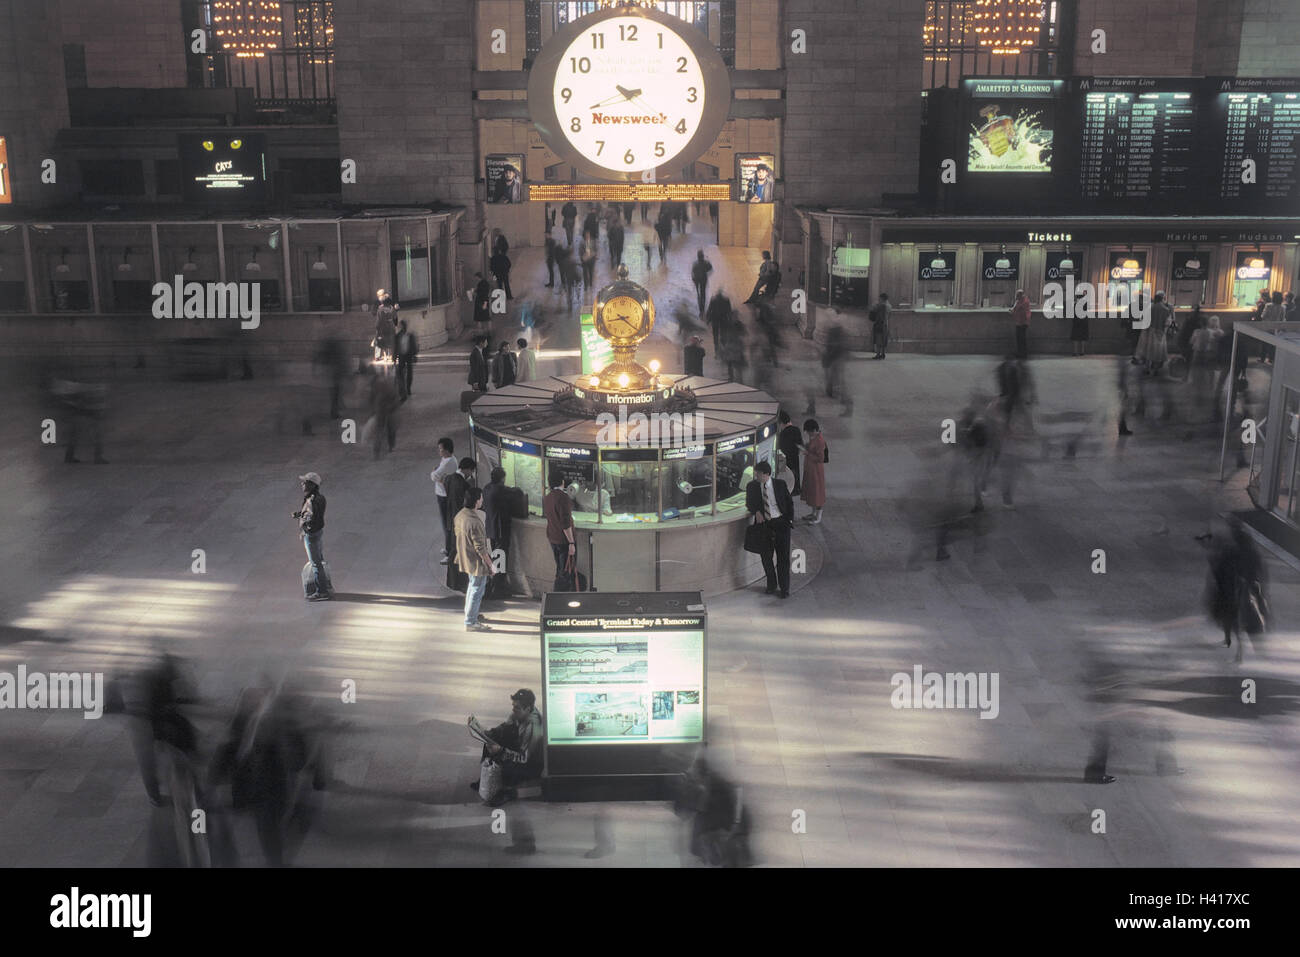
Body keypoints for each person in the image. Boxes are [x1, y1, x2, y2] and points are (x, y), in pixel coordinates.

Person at [1207, 518, 1268, 662]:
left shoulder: (1234, 549)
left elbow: (1222, 567)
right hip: (1243, 586)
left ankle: (1237, 649)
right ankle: (1242, 646)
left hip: (1237, 588)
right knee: (1244, 616)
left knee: (1236, 618)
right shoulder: (1244, 549)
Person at [472, 689, 545, 805]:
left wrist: (501, 751)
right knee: (493, 739)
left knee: (506, 759)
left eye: (517, 708)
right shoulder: (519, 713)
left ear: (527, 709)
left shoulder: (532, 727)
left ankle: (505, 792)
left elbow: (524, 758)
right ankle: (487, 778)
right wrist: (487, 733)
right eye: (513, 706)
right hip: (520, 747)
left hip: (530, 764)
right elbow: (505, 727)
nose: (513, 710)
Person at [745, 460, 794, 598]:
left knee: (783, 558)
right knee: (766, 557)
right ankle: (771, 585)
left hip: (781, 524)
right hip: (764, 526)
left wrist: (788, 519)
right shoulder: (752, 486)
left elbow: (789, 503)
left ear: (766, 474)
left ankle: (785, 588)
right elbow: (749, 503)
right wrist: (757, 511)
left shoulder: (780, 485)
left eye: (758, 474)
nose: (756, 476)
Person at [454, 487, 495, 632]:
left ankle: (470, 614)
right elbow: (481, 548)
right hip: (476, 561)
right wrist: (491, 565)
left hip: (465, 557)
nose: (482, 500)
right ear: (477, 501)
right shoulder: (475, 522)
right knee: (477, 589)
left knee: (472, 586)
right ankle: (471, 621)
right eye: (481, 498)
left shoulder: (460, 515)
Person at [294, 472, 333, 600]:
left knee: (315, 563)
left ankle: (321, 591)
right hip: (318, 532)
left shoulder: (311, 500)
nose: (302, 484)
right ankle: (325, 586)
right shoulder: (320, 498)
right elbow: (313, 513)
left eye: (304, 482)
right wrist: (300, 514)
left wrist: (305, 529)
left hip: (311, 535)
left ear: (311, 485)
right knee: (319, 560)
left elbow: (310, 518)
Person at [444, 458, 477, 593]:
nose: (471, 474)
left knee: (453, 551)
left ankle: (452, 581)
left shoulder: (449, 479)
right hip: (460, 523)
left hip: (451, 521)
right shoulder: (462, 484)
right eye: (471, 471)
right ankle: (460, 582)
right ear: (467, 469)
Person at [482, 466, 513, 600]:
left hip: (491, 528)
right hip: (501, 529)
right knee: (501, 558)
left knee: (496, 556)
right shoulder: (500, 490)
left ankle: (496, 585)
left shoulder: (486, 488)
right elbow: (515, 495)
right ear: (502, 479)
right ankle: (498, 588)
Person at [544, 469, 577, 586]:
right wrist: (571, 543)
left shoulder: (547, 497)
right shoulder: (563, 498)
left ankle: (557, 591)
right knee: (566, 571)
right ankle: (563, 593)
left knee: (559, 568)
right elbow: (565, 523)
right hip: (564, 540)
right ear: (562, 482)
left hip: (553, 538)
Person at [430, 437, 458, 565]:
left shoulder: (448, 462)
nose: (439, 451)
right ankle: (448, 548)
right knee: (446, 523)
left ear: (446, 450)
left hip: (444, 496)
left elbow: (434, 476)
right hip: (443, 494)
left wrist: (434, 473)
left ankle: (449, 552)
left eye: (441, 449)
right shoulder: (448, 460)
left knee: (447, 524)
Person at [1135, 291, 1172, 374]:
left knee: (1148, 351)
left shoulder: (1149, 308)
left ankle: (1147, 368)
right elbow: (1168, 322)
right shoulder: (1166, 310)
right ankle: (1156, 370)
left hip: (1149, 332)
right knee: (1157, 352)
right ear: (1162, 299)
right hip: (1160, 332)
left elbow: (1143, 319)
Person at [366, 367, 399, 458]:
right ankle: (385, 448)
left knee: (384, 429)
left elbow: (393, 396)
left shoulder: (381, 383)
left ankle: (381, 449)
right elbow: (371, 398)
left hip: (385, 409)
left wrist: (374, 409)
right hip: (384, 410)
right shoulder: (376, 383)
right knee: (385, 429)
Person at [801, 419, 827, 525]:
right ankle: (813, 513)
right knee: (811, 491)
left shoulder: (820, 440)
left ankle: (818, 515)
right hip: (810, 468)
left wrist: (807, 453)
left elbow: (821, 458)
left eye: (809, 431)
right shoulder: (814, 437)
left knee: (817, 492)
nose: (808, 433)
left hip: (816, 471)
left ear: (814, 430)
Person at [777, 409, 802, 496]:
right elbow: (800, 444)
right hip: (795, 457)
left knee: (787, 476)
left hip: (785, 459)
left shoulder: (783, 434)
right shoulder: (796, 430)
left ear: (781, 423)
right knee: (795, 474)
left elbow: (780, 448)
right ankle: (796, 488)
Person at [394, 319, 417, 401]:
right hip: (401, 356)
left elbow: (414, 346)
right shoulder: (398, 336)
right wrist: (394, 357)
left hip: (409, 355)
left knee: (409, 373)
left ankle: (408, 388)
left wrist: (414, 355)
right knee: (400, 373)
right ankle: (403, 389)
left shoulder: (410, 335)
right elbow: (395, 347)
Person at [374, 290, 398, 359]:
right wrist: (395, 325)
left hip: (382, 326)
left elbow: (378, 319)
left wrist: (377, 327)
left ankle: (381, 356)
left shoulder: (380, 309)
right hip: (391, 326)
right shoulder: (391, 308)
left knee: (381, 340)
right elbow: (395, 317)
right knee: (390, 341)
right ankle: (390, 355)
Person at [869, 292, 891, 359]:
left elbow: (875, 312)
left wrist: (873, 306)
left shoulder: (881, 305)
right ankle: (883, 354)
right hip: (886, 324)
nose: (879, 299)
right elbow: (889, 316)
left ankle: (878, 355)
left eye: (880, 298)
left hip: (879, 324)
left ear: (882, 298)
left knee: (878, 340)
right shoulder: (889, 306)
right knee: (884, 340)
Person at [1010, 289, 1031, 360]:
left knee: (1022, 339)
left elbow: (1018, 310)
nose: (1016, 297)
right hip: (1019, 322)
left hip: (1023, 323)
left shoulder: (1025, 301)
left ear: (1021, 295)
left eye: (1017, 295)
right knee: (1019, 339)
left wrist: (1014, 310)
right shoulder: (1019, 301)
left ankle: (1023, 354)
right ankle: (1019, 352)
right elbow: (1014, 309)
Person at [691, 250, 713, 317]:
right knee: (703, 293)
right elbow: (710, 268)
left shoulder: (695, 264)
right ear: (703, 256)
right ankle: (702, 308)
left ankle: (700, 308)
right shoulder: (706, 263)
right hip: (703, 280)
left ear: (698, 257)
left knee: (699, 294)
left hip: (697, 281)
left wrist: (694, 279)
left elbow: (693, 272)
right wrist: (705, 272)